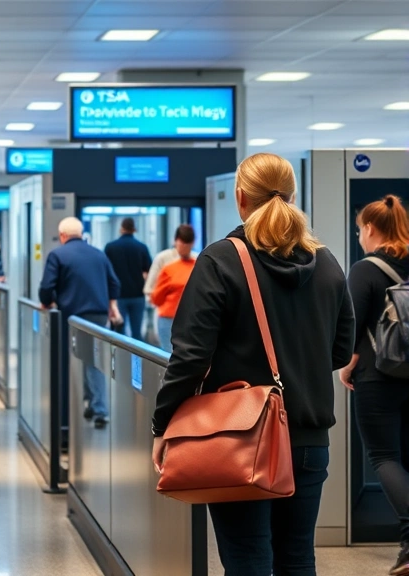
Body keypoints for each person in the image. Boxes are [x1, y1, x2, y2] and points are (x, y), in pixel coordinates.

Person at [151, 153, 355, 576]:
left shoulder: (220, 261)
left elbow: (190, 357)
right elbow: (340, 350)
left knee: (246, 558)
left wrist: (163, 424)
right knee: (298, 558)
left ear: (240, 198)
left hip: (240, 438)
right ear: (292, 197)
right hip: (309, 441)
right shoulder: (328, 263)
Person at [339, 195, 409, 576]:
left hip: (378, 375)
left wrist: (346, 367)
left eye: (358, 230)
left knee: (384, 457)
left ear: (369, 228)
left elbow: (351, 325)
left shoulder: (365, 269)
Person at [39, 217, 122, 429]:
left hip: (72, 316)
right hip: (97, 316)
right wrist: (111, 305)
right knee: (92, 359)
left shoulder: (57, 255)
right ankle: (92, 404)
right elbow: (114, 283)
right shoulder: (98, 254)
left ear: (62, 236)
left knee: (74, 360)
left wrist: (47, 302)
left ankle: (92, 408)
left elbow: (47, 286)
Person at [149, 227, 197, 354]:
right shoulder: (199, 265)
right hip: (183, 318)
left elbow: (156, 297)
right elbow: (156, 297)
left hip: (177, 318)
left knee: (169, 357)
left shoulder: (170, 269)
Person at [104, 217, 152, 340]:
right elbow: (148, 271)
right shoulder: (141, 247)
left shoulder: (110, 247)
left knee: (118, 332)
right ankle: (137, 359)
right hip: (137, 295)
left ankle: (120, 359)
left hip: (118, 296)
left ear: (121, 229)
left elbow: (106, 272)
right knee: (137, 333)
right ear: (134, 229)